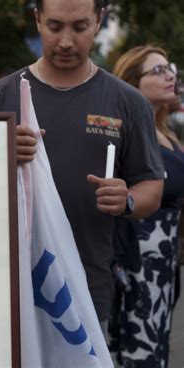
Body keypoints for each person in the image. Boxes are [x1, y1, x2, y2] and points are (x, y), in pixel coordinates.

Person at [0, 0, 165, 334]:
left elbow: (151, 186)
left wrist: (127, 200)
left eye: (79, 27)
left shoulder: (127, 102)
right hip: (6, 288)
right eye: (55, 26)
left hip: (86, 291)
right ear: (37, 20)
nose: (65, 41)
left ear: (99, 20)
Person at [111, 46, 184, 368]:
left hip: (166, 265)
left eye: (170, 68)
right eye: (157, 71)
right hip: (137, 262)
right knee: (138, 352)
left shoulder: (169, 135)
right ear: (131, 82)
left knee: (158, 347)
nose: (170, 76)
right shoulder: (125, 133)